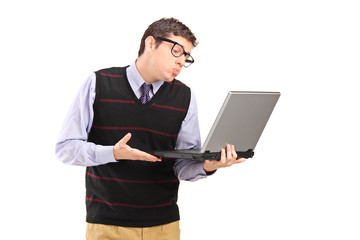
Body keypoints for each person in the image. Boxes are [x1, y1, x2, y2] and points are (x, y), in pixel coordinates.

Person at [55, 17, 246, 240]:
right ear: (151, 43)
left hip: (165, 226)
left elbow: (182, 164)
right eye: (177, 51)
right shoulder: (99, 83)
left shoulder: (184, 96)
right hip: (108, 225)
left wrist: (207, 165)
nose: (181, 62)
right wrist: (113, 153)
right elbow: (66, 148)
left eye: (186, 56)